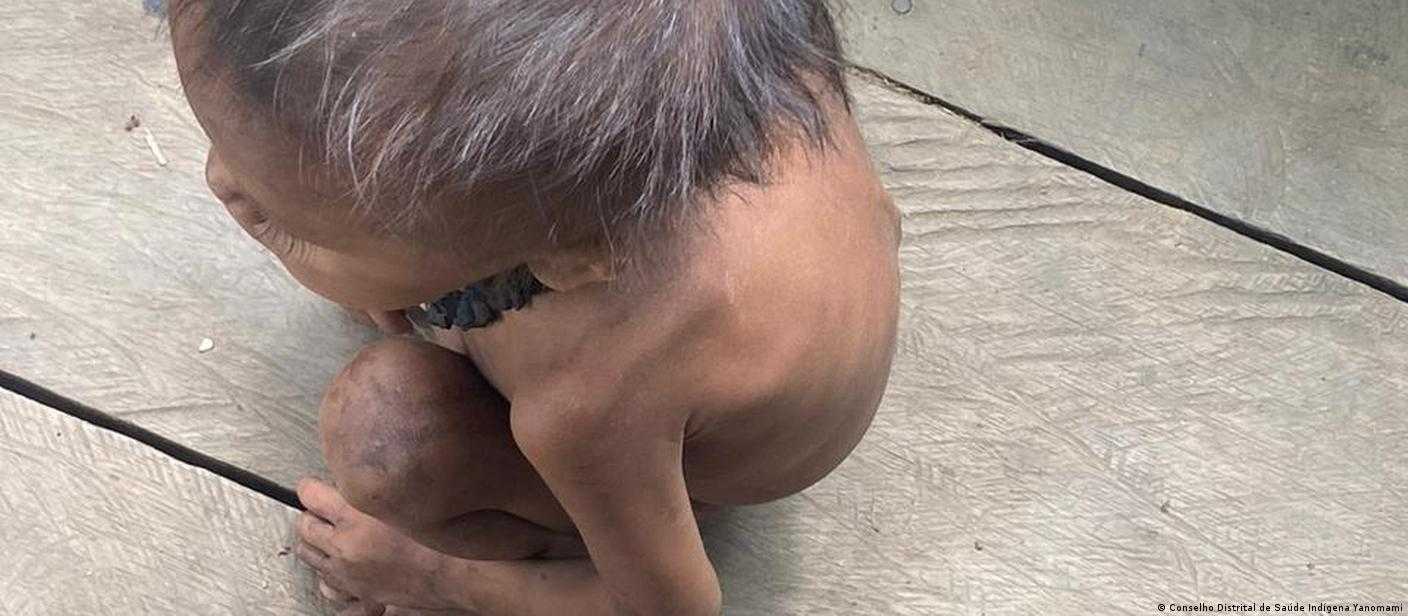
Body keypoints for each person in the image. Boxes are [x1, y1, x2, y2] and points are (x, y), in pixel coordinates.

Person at [167, 1, 900, 613]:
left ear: (564, 257)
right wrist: (368, 262)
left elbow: (674, 607)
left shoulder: (586, 399)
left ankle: (568, 544)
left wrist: (430, 576)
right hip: (809, 273)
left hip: (712, 462)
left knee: (387, 435)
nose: (218, 183)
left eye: (282, 223)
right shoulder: (715, 48)